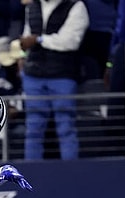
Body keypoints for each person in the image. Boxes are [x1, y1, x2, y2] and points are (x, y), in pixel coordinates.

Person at [18, 0, 88, 160]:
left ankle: (71, 173)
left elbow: (70, 41)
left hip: (62, 75)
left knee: (66, 127)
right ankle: (31, 176)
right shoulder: (32, 6)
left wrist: (38, 40)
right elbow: (27, 35)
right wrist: (23, 55)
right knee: (33, 129)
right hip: (33, 75)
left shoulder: (76, 6)